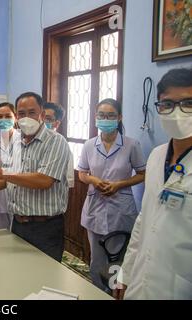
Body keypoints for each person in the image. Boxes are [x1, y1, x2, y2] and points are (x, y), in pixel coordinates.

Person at [115, 68, 192, 300]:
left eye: (188, 103)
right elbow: (144, 221)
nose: (176, 112)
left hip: (180, 287)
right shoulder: (157, 156)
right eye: (167, 104)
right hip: (142, 280)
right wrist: (125, 275)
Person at [0, 92, 70, 262]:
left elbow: (44, 180)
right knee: (18, 275)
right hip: (18, 224)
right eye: (22, 113)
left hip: (45, 227)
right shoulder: (16, 144)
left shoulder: (56, 141)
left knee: (45, 279)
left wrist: (4, 173)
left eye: (32, 112)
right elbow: (6, 181)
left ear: (42, 114)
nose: (26, 118)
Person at [77, 98, 146, 292]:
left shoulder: (131, 145)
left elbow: (142, 174)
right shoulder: (89, 145)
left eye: (110, 115)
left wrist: (119, 184)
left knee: (117, 259)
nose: (105, 119)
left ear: (119, 117)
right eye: (102, 115)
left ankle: (114, 294)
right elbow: (82, 173)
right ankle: (97, 293)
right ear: (96, 117)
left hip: (121, 208)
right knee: (96, 260)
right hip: (95, 207)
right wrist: (94, 181)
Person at [0, 102, 20, 230]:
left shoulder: (23, 140)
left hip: (18, 193)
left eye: (8, 116)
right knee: (0, 231)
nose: (3, 120)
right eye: (0, 116)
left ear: (15, 117)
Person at [43, 102, 75, 188]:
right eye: (41, 117)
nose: (43, 121)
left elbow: (69, 182)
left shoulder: (61, 145)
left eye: (48, 119)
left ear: (57, 123)